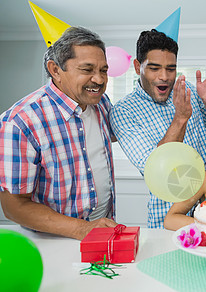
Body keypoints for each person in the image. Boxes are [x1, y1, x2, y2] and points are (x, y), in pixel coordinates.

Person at [0, 27, 118, 240]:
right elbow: (14, 207)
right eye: (87, 69)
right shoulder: (19, 122)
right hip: (53, 242)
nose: (99, 80)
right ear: (55, 70)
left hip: (104, 230)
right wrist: (83, 229)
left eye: (103, 70)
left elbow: (120, 135)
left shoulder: (101, 104)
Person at [110, 29, 206, 228]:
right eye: (154, 68)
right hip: (168, 214)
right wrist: (180, 118)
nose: (164, 76)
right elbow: (153, 166)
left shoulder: (186, 90)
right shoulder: (123, 111)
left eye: (171, 69)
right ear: (138, 67)